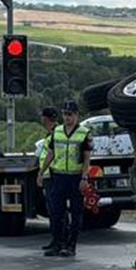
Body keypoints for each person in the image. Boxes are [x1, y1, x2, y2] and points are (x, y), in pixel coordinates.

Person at [40, 100, 92, 257]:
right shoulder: (57, 132)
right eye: (64, 114)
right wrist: (41, 172)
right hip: (59, 176)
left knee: (76, 213)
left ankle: (71, 245)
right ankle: (57, 243)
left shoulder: (84, 133)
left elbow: (86, 157)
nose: (67, 117)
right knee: (56, 213)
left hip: (75, 177)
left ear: (76, 115)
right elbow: (51, 153)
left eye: (70, 114)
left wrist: (84, 177)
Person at [35, 106, 60, 253]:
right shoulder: (52, 134)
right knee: (53, 211)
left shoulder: (56, 134)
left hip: (54, 175)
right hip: (50, 176)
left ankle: (59, 242)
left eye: (42, 116)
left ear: (45, 118)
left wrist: (41, 172)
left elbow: (52, 155)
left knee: (56, 211)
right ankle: (56, 240)